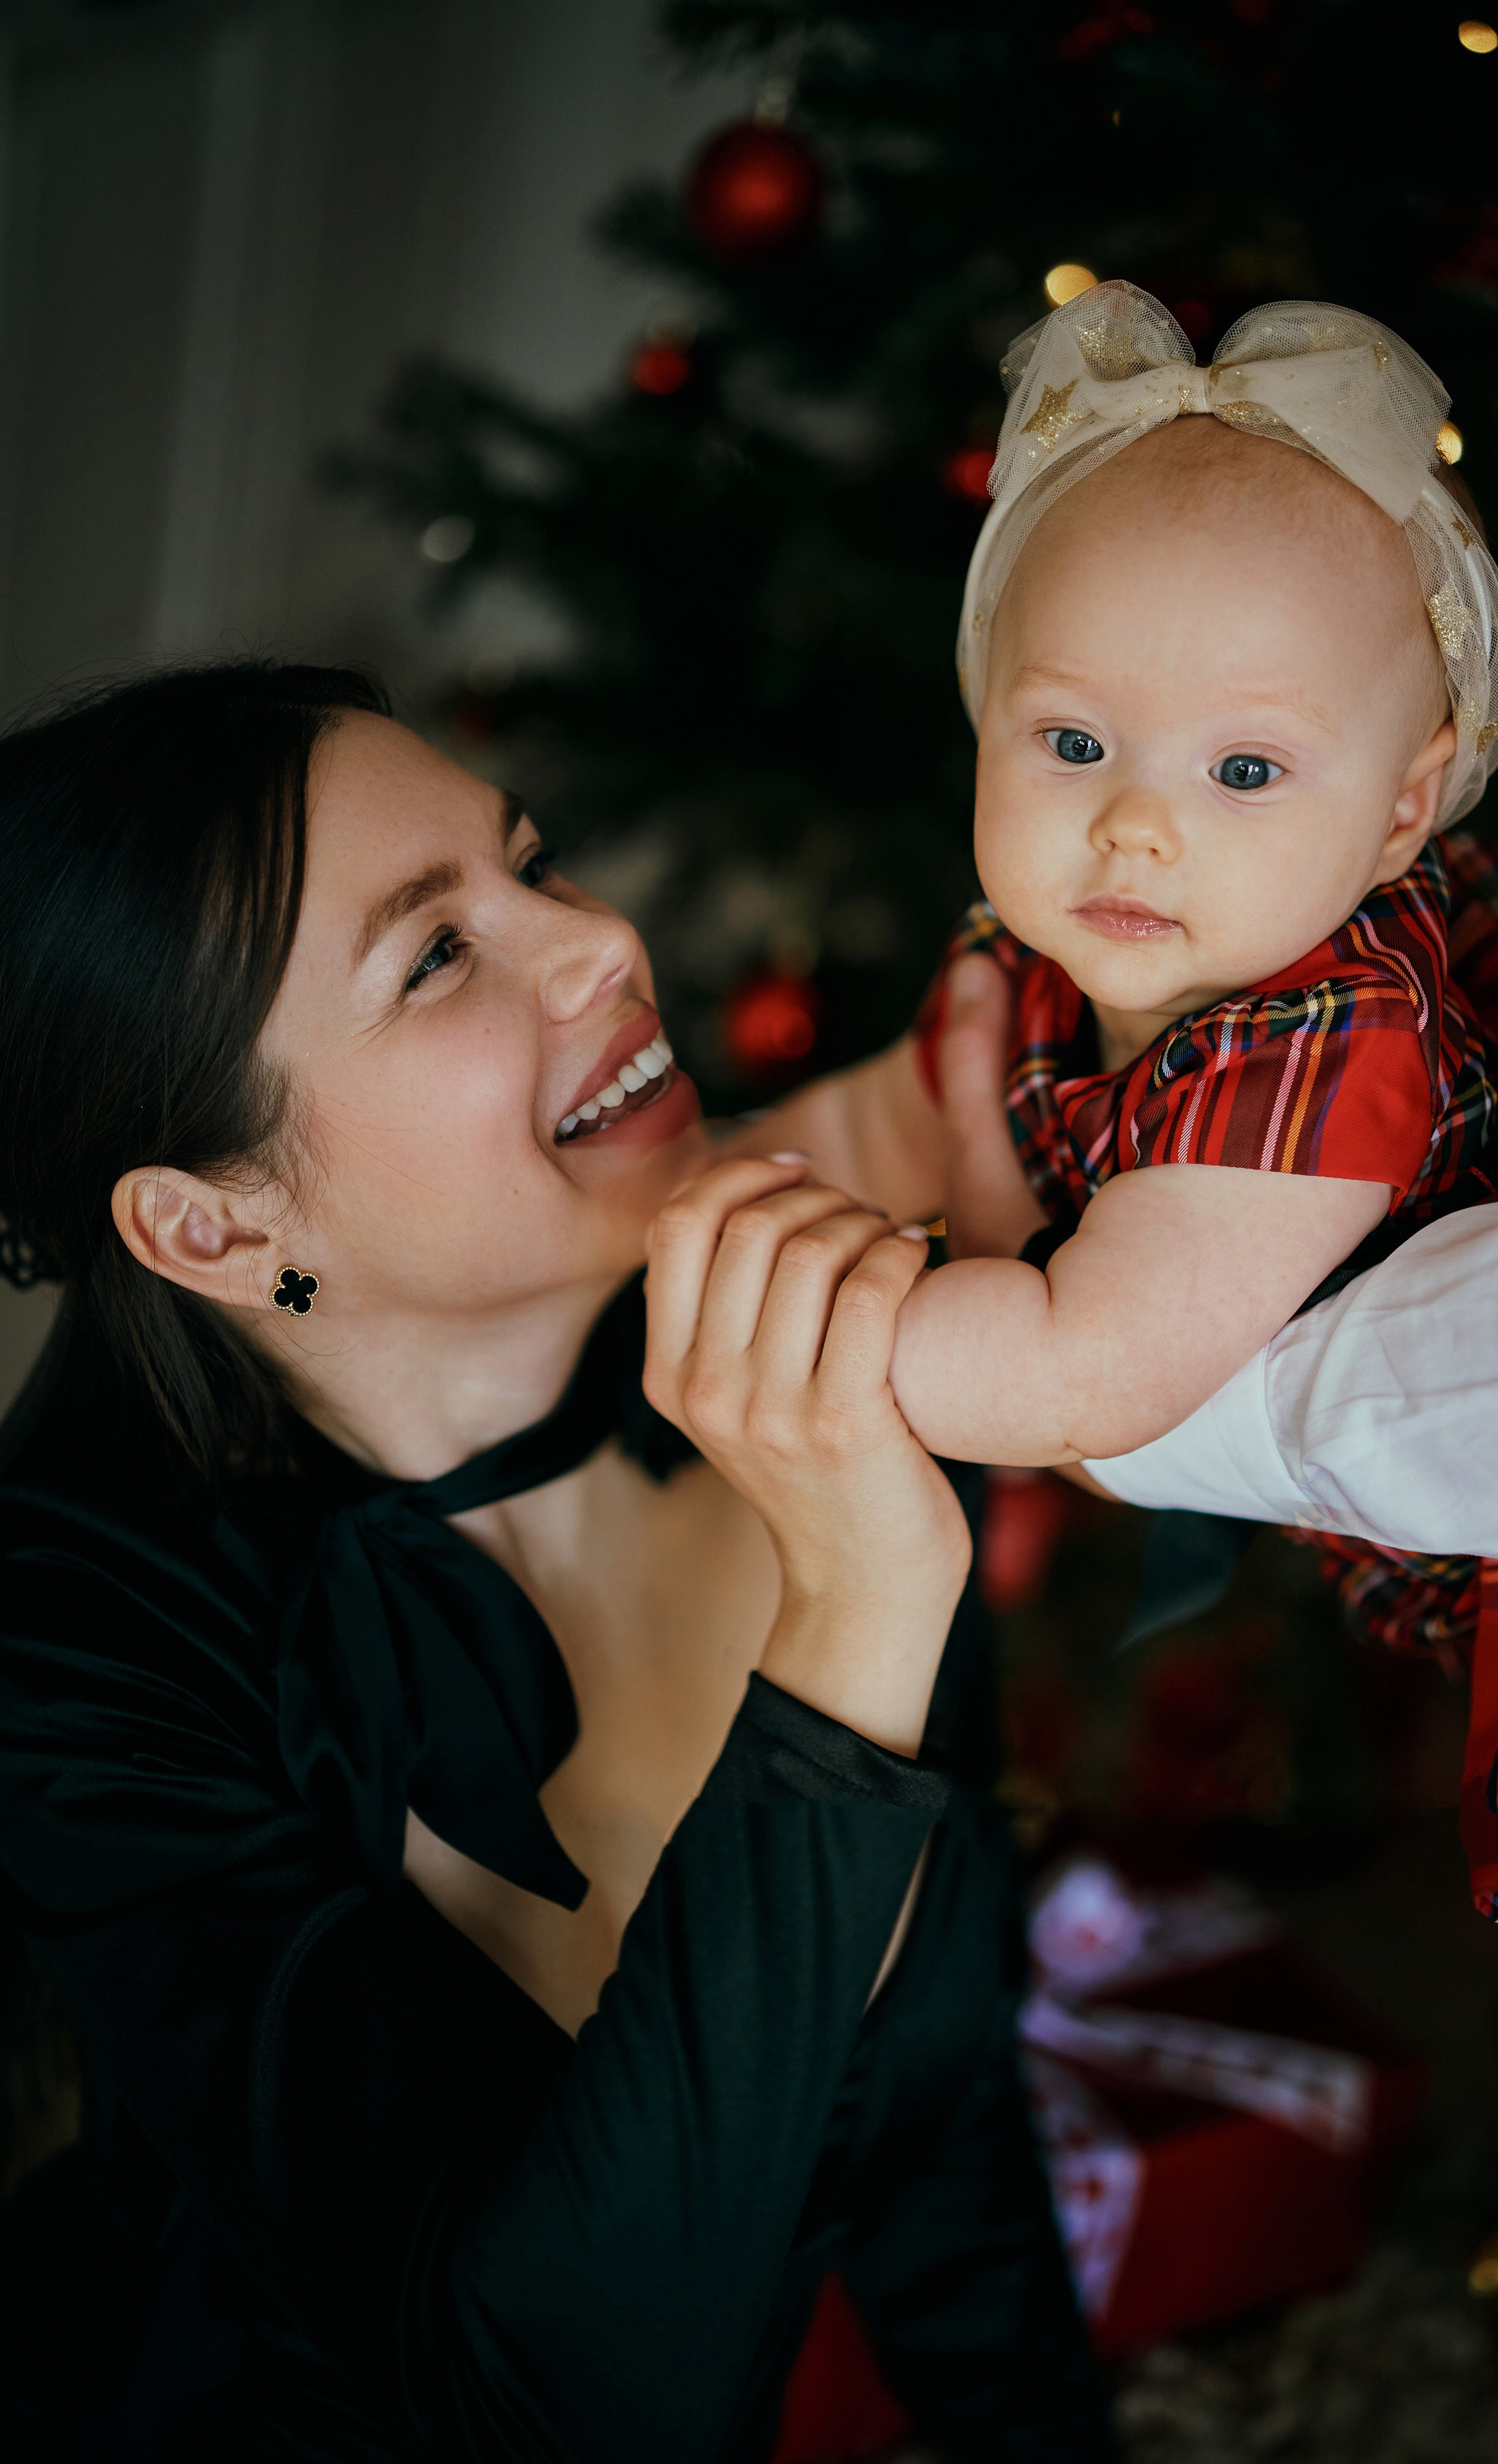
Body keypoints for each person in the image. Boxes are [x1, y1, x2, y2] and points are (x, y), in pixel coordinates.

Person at [0, 665, 1109, 2462]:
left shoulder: (804, 1354)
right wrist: (855, 1608)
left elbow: (942, 2119)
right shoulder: (75, 1648)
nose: (601, 940)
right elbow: (550, 2401)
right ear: (213, 1226)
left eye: (530, 864)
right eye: (437, 954)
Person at [740, 282, 1498, 1934]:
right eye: (1071, 740)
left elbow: (1084, 1374)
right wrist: (692, 1187)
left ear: (1399, 815)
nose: (1133, 827)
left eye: (1241, 771)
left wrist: (771, 1330)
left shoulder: (1327, 1043)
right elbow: (885, 1116)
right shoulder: (1028, 956)